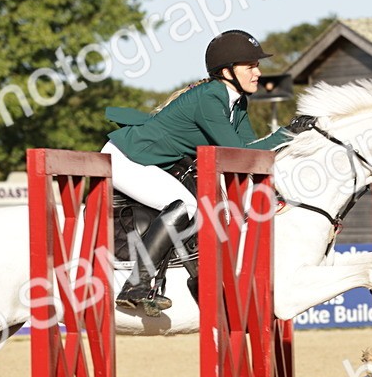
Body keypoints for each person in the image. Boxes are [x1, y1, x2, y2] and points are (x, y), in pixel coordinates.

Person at [102, 30, 316, 315]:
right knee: (183, 205)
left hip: (149, 162)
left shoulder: (237, 101)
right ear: (227, 71)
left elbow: (250, 153)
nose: (258, 73)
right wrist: (286, 132)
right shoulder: (210, 97)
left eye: (257, 66)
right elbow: (238, 153)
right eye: (250, 66)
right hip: (126, 158)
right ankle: (135, 286)